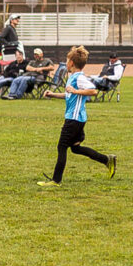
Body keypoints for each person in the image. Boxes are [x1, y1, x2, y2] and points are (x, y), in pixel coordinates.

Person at [38, 45, 116, 186]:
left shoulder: (79, 78)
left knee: (62, 147)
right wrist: (53, 94)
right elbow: (69, 95)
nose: (66, 63)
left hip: (73, 120)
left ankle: (56, 180)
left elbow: (93, 91)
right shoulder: (73, 77)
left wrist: (75, 91)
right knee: (75, 148)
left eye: (67, 61)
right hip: (78, 119)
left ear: (72, 63)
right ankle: (107, 160)